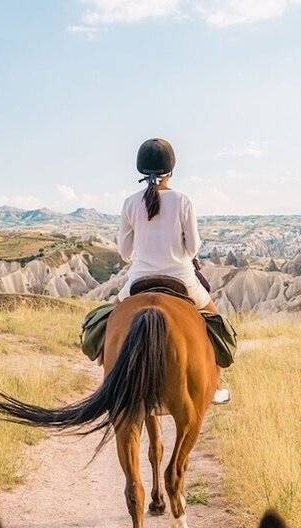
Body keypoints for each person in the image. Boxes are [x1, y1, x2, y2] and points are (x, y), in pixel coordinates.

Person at [116, 138, 231, 404]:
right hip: (181, 278)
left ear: (140, 170)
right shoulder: (182, 201)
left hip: (138, 280)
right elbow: (192, 247)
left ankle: (109, 379)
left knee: (108, 321)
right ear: (171, 170)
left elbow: (124, 252)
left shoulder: (130, 203)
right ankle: (215, 386)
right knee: (216, 323)